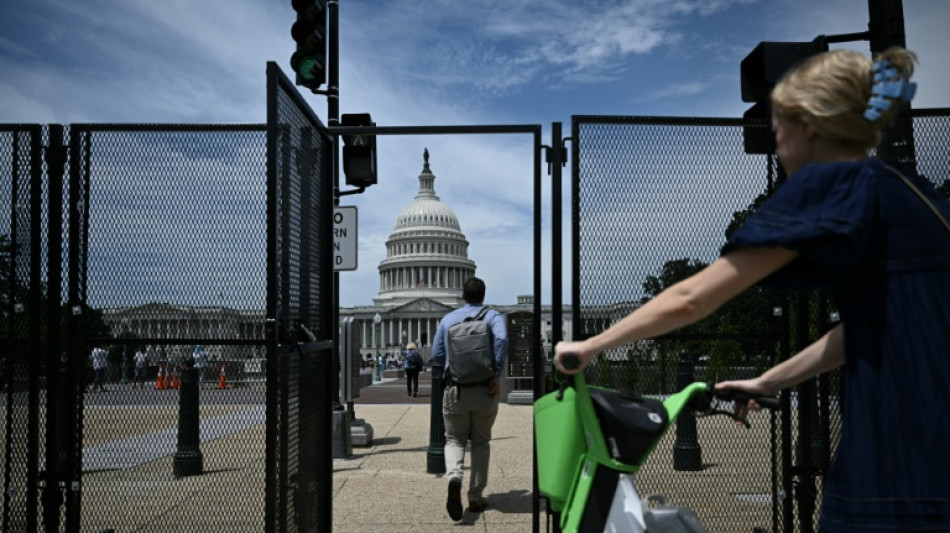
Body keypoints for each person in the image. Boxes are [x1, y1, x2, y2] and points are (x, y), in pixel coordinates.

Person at [555, 47, 949, 531]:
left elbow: (693, 298)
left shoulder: (836, 185)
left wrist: (589, 346)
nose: (776, 143)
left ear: (808, 125)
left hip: (896, 461)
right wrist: (769, 380)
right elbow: (868, 326)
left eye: (778, 125)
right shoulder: (913, 191)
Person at [431, 276, 508, 521]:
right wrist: (495, 372)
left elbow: (436, 354)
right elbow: (503, 339)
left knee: (454, 439)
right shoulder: (493, 316)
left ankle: (454, 476)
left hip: (456, 389)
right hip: (485, 389)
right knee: (481, 442)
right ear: (483, 296)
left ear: (462, 295)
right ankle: (475, 496)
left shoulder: (448, 319)